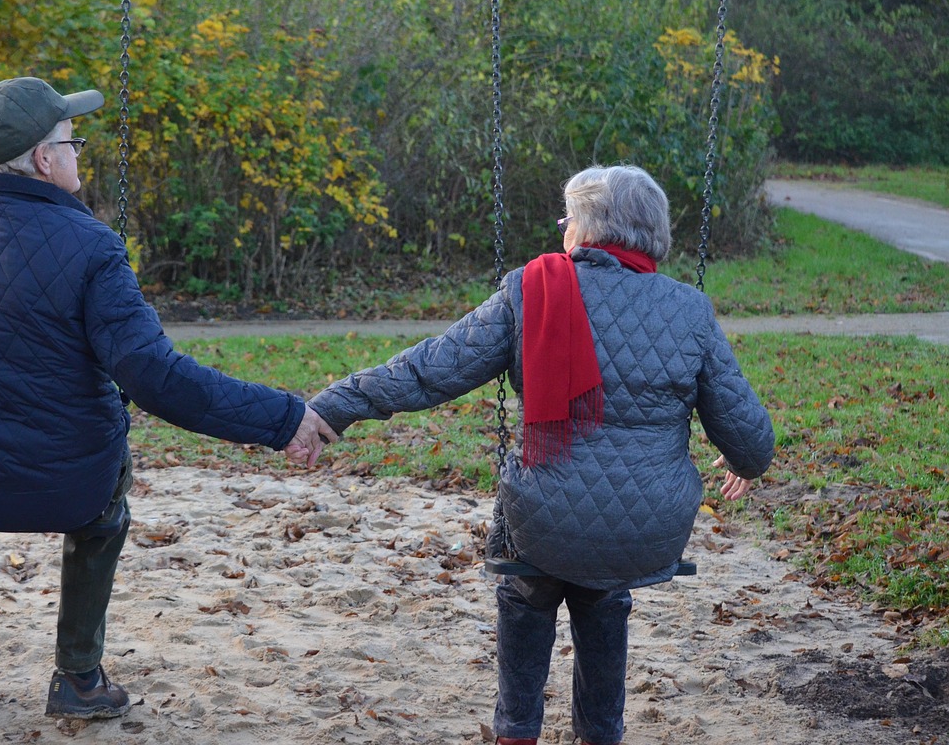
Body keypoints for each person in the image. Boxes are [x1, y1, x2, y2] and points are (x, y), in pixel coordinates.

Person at [0, 75, 336, 720]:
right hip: (73, 482)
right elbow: (153, 376)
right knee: (105, 507)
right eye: (73, 141)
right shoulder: (93, 246)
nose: (79, 153)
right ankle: (76, 677)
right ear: (45, 160)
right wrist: (284, 417)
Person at [307, 165, 774, 745]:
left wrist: (334, 407)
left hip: (544, 521)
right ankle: (600, 734)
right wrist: (745, 466)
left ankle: (516, 732)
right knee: (604, 593)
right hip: (648, 528)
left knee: (527, 587)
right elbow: (751, 439)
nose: (563, 229)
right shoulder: (690, 311)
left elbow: (430, 372)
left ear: (590, 228)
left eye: (568, 218)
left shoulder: (531, 291)